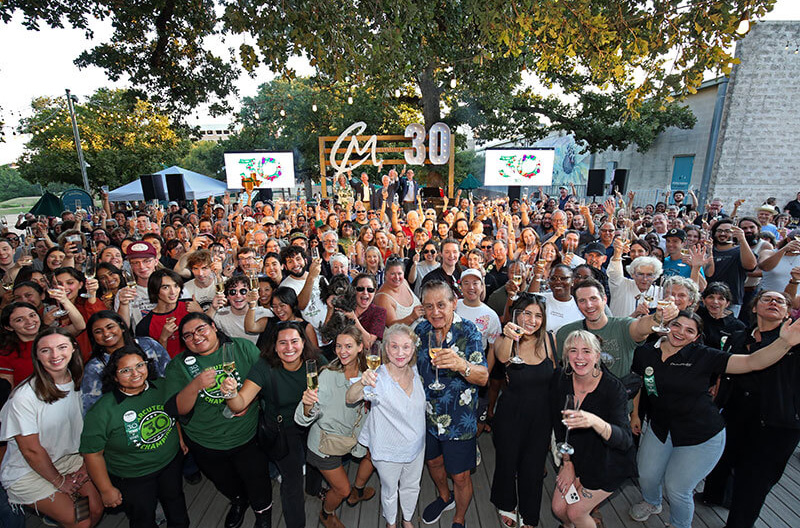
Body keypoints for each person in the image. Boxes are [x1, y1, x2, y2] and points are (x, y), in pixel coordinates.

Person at [629, 309, 800, 528]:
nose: (680, 332)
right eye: (676, 325)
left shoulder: (705, 356)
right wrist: (635, 414)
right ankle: (652, 502)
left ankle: (679, 525)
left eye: (689, 330)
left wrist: (784, 343)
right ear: (667, 325)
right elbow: (638, 384)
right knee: (647, 475)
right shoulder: (646, 352)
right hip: (661, 427)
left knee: (677, 488)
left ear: (697, 337)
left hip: (700, 434)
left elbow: (752, 362)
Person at [702, 290, 800, 527]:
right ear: (754, 308)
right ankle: (712, 495)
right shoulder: (738, 335)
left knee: (754, 481)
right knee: (723, 458)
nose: (774, 302)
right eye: (767, 299)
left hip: (775, 422)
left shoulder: (794, 342)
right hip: (735, 411)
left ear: (788, 312)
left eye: (780, 301)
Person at [165, 313, 272, 528]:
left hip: (246, 436)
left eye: (200, 329)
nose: (195, 337)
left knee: (257, 479)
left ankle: (263, 515)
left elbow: (267, 381)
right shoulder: (179, 365)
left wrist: (247, 402)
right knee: (224, 481)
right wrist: (195, 385)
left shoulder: (241, 348)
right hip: (205, 441)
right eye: (187, 335)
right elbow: (176, 409)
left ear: (213, 327)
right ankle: (239, 501)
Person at [222, 321, 325, 528]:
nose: (289, 348)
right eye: (283, 343)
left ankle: (314, 488)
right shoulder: (264, 366)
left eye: (294, 341)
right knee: (293, 480)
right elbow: (239, 404)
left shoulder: (314, 362)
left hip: (312, 421)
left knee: (319, 458)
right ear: (274, 346)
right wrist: (230, 393)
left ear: (303, 343)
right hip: (283, 429)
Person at [0, 328, 103, 528]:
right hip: (29, 470)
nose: (55, 355)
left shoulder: (81, 382)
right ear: (37, 356)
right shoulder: (24, 397)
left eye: (61, 347)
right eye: (46, 350)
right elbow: (31, 450)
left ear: (73, 349)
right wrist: (60, 482)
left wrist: (84, 464)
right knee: (81, 522)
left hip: (70, 459)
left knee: (95, 509)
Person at [81, 346, 189, 528]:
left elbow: (173, 412)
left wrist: (179, 439)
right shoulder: (102, 411)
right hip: (133, 475)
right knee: (143, 516)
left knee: (175, 501)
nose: (135, 373)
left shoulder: (162, 386)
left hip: (170, 462)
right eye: (125, 370)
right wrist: (106, 489)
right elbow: (92, 454)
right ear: (114, 376)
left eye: (140, 365)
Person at [415, 281, 488, 528]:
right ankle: (444, 498)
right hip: (426, 415)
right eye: (429, 306)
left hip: (459, 419)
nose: (435, 312)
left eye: (441, 305)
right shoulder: (420, 331)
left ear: (453, 304)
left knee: (460, 475)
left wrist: (461, 365)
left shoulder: (469, 332)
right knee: (434, 462)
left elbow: (483, 376)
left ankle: (459, 517)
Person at [292, 327, 376, 528]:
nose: (342, 351)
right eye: (338, 346)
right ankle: (326, 513)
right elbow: (301, 419)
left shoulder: (368, 373)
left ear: (360, 347)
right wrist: (307, 405)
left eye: (348, 346)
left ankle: (358, 490)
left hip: (354, 437)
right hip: (325, 445)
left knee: (373, 455)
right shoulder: (328, 376)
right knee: (341, 490)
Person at [551, 330, 636, 528]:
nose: (579, 357)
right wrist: (567, 463)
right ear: (566, 356)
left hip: (608, 462)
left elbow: (624, 440)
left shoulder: (613, 389)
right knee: (558, 509)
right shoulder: (561, 379)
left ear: (597, 356)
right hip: (576, 456)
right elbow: (558, 425)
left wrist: (595, 422)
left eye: (586, 351)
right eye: (573, 351)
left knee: (575, 512)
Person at [347, 324, 426, 528]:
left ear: (413, 349)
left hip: (417, 446)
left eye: (406, 347)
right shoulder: (376, 377)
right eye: (394, 347)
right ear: (385, 349)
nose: (401, 353)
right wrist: (361, 383)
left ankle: (407, 519)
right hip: (388, 448)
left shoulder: (416, 371)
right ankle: (391, 522)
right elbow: (350, 397)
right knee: (390, 490)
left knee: (411, 486)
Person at [491, 294, 556, 528]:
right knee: (507, 463)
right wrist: (509, 334)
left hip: (541, 418)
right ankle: (505, 502)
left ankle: (530, 515)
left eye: (538, 315)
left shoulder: (549, 340)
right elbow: (502, 356)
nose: (532, 320)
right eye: (527, 313)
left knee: (534, 468)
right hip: (511, 416)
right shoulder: (506, 339)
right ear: (516, 314)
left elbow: (556, 379)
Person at [555, 278, 679, 380]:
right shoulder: (566, 333)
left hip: (618, 405)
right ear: (577, 305)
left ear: (604, 300)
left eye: (593, 298)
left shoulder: (623, 326)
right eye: (582, 301)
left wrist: (657, 317)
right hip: (580, 404)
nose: (589, 305)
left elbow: (642, 326)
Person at [82, 310, 171, 415]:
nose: (106, 333)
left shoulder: (148, 345)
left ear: (122, 327)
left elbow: (171, 375)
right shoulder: (95, 367)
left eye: (110, 327)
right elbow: (93, 408)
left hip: (163, 407)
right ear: (93, 337)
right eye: (98, 331)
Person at [135, 268, 199, 358]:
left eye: (176, 286)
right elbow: (154, 361)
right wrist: (163, 339)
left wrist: (201, 313)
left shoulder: (189, 305)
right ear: (155, 290)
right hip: (173, 369)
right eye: (165, 287)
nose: (173, 292)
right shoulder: (145, 326)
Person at [53, 266, 105, 361]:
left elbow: (100, 321)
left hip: (92, 359)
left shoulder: (88, 303)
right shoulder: (50, 310)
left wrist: (92, 293)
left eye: (70, 283)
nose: (64, 287)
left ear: (80, 285)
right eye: (59, 284)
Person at [607, 239, 663, 318]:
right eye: (640, 274)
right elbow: (614, 272)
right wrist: (617, 252)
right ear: (632, 274)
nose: (645, 279)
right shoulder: (620, 285)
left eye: (649, 275)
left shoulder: (660, 292)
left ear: (656, 276)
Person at [0, 302, 41, 387]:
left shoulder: (54, 339)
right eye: (19, 320)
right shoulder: (5, 354)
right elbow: (7, 391)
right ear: (8, 327)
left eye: (32, 315)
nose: (29, 321)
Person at [375, 257, 424, 328]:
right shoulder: (383, 297)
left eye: (399, 273)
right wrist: (412, 317)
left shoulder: (404, 282)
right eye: (392, 274)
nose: (397, 277)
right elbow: (392, 326)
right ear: (385, 275)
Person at [696, 282, 746, 349]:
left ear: (727, 303)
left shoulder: (737, 327)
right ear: (704, 300)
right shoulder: (697, 316)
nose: (715, 302)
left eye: (721, 298)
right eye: (711, 297)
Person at [351, 273, 386, 349]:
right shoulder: (345, 307)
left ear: (375, 292)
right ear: (354, 290)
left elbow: (368, 344)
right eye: (360, 289)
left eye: (370, 290)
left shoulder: (379, 312)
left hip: (368, 358)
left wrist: (352, 317)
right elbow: (326, 339)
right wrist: (330, 308)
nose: (365, 292)